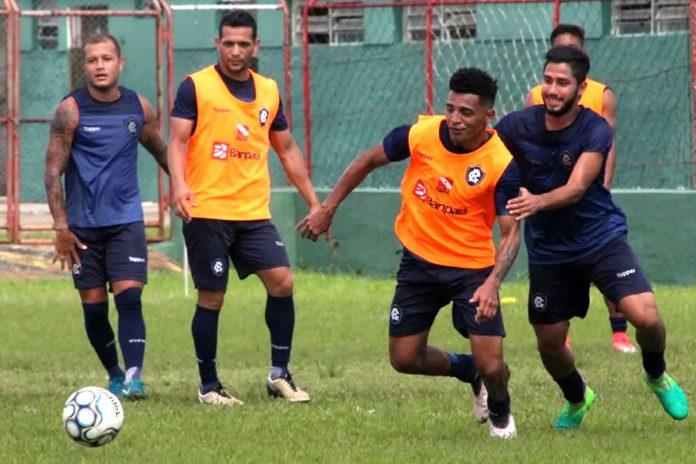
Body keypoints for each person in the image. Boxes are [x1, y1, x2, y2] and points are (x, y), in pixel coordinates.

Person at [298, 68, 521, 438]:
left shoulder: (501, 163)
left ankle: (500, 410)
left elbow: (512, 234)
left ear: (488, 117)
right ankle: (467, 371)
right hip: (419, 262)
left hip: (472, 271)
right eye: (450, 108)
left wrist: (493, 283)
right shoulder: (422, 134)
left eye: (466, 112)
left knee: (494, 366)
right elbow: (369, 159)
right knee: (404, 359)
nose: (454, 119)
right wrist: (328, 208)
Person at [496, 46, 688, 429]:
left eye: (562, 83)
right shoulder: (516, 126)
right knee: (549, 345)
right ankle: (578, 398)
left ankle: (655, 373)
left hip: (600, 238)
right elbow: (485, 156)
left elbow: (577, 187)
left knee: (646, 318)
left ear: (580, 89)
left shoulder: (594, 128)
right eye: (547, 80)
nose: (552, 89)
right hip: (550, 250)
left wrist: (535, 202)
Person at [168, 10, 320, 406]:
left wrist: (315, 202)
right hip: (208, 210)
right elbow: (178, 142)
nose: (235, 51)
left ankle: (279, 375)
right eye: (228, 43)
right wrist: (179, 185)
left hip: (253, 212)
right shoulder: (195, 87)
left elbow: (286, 149)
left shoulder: (269, 91)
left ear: (256, 47)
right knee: (212, 297)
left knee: (283, 282)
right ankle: (208, 385)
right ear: (218, 44)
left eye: (243, 44)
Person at [44, 34, 169, 399]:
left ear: (121, 63)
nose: (100, 66)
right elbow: (53, 172)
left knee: (130, 299)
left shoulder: (138, 107)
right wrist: (61, 227)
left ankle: (133, 377)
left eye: (107, 58)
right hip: (83, 228)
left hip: (126, 221)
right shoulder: (70, 110)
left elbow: (160, 150)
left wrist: (186, 189)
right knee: (95, 309)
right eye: (93, 60)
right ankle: (114, 373)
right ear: (85, 66)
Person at [525, 24, 634, 353]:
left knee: (607, 262)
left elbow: (608, 145)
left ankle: (619, 333)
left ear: (583, 54)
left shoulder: (602, 94)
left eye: (572, 47)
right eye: (559, 47)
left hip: (589, 194)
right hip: (551, 200)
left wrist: (604, 184)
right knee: (555, 266)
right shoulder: (536, 95)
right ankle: (562, 334)